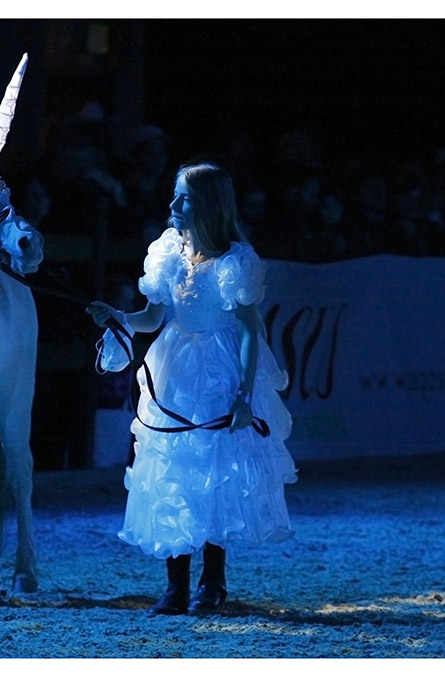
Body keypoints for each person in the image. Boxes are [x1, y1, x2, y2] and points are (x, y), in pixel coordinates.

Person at [87, 162, 297, 615]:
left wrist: (243, 394)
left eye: (183, 198)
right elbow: (152, 316)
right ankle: (176, 585)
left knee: (215, 470)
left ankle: (212, 582)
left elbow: (246, 332)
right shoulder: (168, 254)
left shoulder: (235, 262)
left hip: (217, 371)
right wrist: (120, 316)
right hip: (174, 366)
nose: (173, 205)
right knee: (173, 470)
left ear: (207, 205)